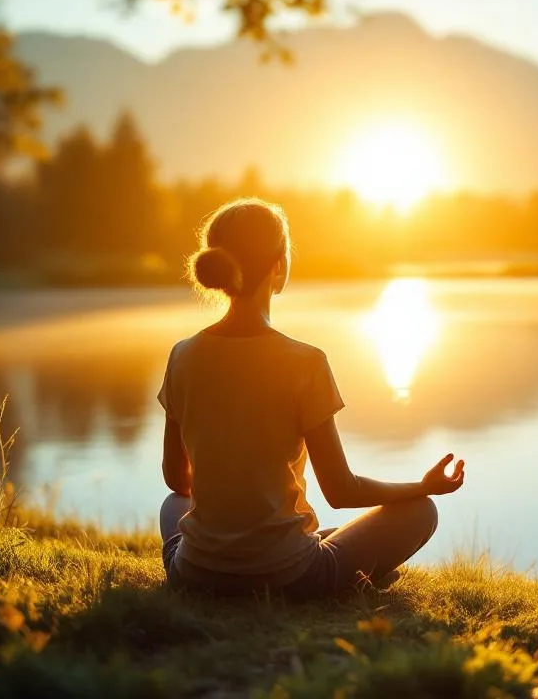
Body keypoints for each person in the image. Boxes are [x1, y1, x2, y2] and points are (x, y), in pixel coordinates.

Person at [156, 197, 464, 598]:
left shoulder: (183, 355)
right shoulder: (305, 363)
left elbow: (177, 479)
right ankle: (351, 573)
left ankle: (223, 561)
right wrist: (421, 486)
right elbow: (342, 491)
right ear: (279, 267)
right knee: (421, 512)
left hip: (195, 575)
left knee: (171, 504)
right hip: (290, 580)